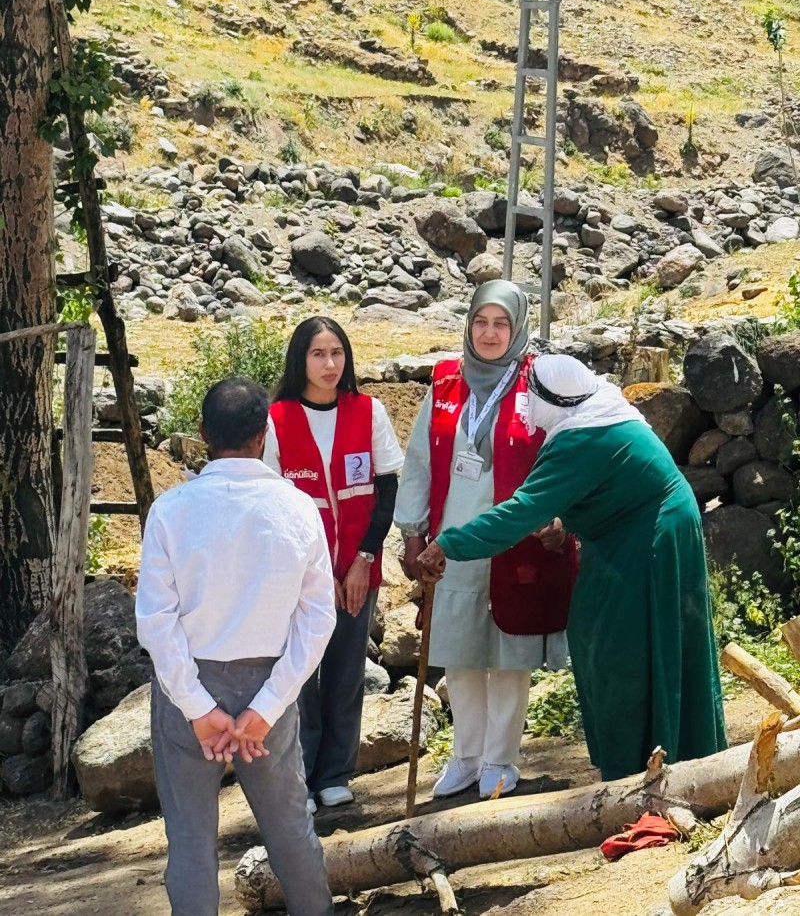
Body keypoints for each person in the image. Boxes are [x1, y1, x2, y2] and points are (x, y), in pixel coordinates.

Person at [415, 354, 727, 782]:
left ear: (553, 399)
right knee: (611, 636)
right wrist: (562, 520)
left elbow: (519, 513)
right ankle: (655, 756)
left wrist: (447, 544)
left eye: (532, 396)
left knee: (620, 648)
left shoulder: (582, 438)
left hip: (648, 541)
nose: (527, 406)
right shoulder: (595, 412)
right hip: (634, 535)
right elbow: (597, 488)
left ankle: (642, 765)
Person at [136, 377, 337, 916]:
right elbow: (318, 618)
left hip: (189, 684)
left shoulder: (171, 509)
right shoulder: (298, 508)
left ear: (203, 433)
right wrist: (268, 705)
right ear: (264, 434)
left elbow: (155, 621)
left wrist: (198, 707)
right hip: (270, 681)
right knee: (290, 828)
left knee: (191, 840)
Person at [394, 281, 579, 800]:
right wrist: (412, 534)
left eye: (501, 323)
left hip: (515, 539)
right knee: (460, 652)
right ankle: (465, 756)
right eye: (481, 322)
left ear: (518, 328)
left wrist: (561, 517)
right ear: (469, 324)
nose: (490, 333)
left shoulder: (539, 383)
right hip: (453, 543)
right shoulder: (445, 383)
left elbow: (567, 454)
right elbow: (419, 463)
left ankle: (500, 759)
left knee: (508, 655)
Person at [265, 316, 404, 813]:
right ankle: (299, 778)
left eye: (337, 353)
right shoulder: (275, 419)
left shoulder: (369, 411)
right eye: (318, 354)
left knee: (346, 674)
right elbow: (270, 505)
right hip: (300, 577)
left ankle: (335, 773)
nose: (330, 364)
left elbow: (386, 491)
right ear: (299, 360)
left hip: (357, 569)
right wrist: (314, 577)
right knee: (299, 678)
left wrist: (364, 560)